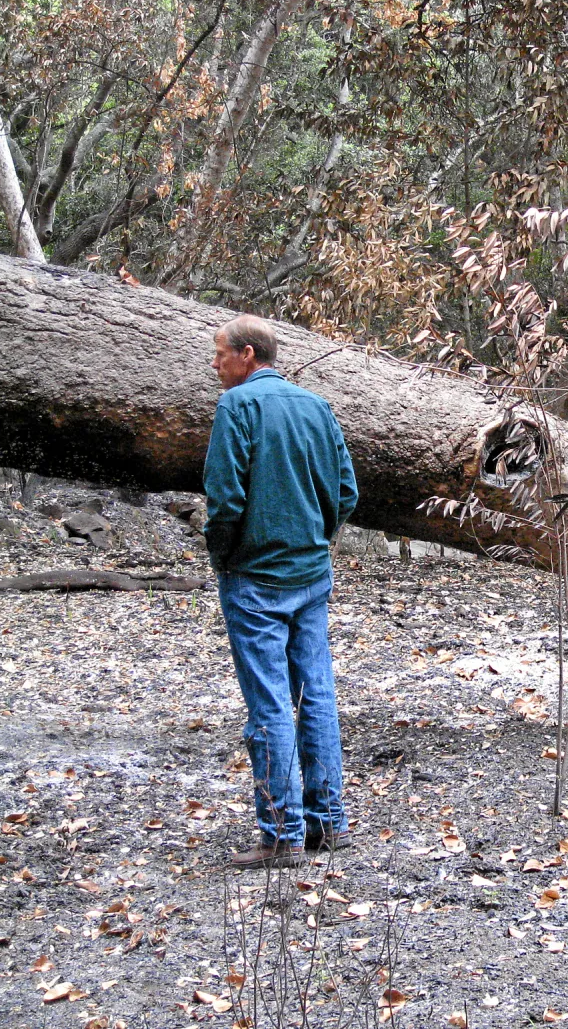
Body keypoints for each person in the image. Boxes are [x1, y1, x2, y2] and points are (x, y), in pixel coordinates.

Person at [205, 315, 358, 869]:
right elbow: (346, 491)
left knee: (270, 701)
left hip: (256, 578)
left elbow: (224, 498)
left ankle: (282, 835)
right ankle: (328, 823)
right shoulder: (317, 407)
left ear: (248, 354)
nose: (215, 364)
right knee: (316, 695)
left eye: (220, 354)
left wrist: (224, 555)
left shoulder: (237, 407)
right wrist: (319, 537)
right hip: (311, 573)